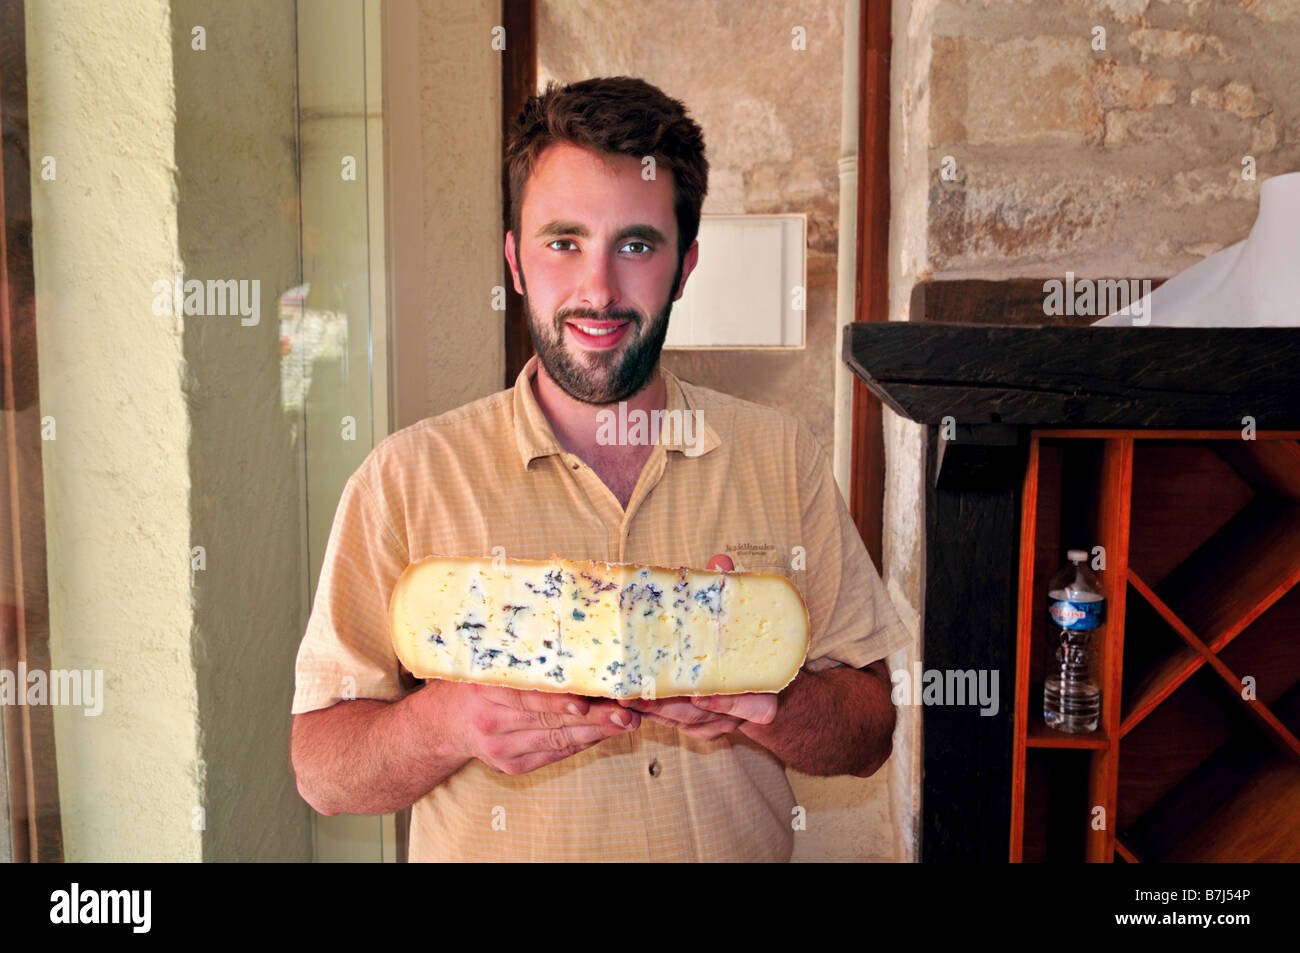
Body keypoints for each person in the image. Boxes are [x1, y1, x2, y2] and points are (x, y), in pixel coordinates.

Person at [290, 76, 909, 862]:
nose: (598, 289)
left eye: (637, 245)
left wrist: (773, 704)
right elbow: (322, 772)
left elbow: (870, 730)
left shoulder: (781, 456)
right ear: (515, 261)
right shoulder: (405, 479)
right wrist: (447, 724)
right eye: (564, 241)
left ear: (684, 265)